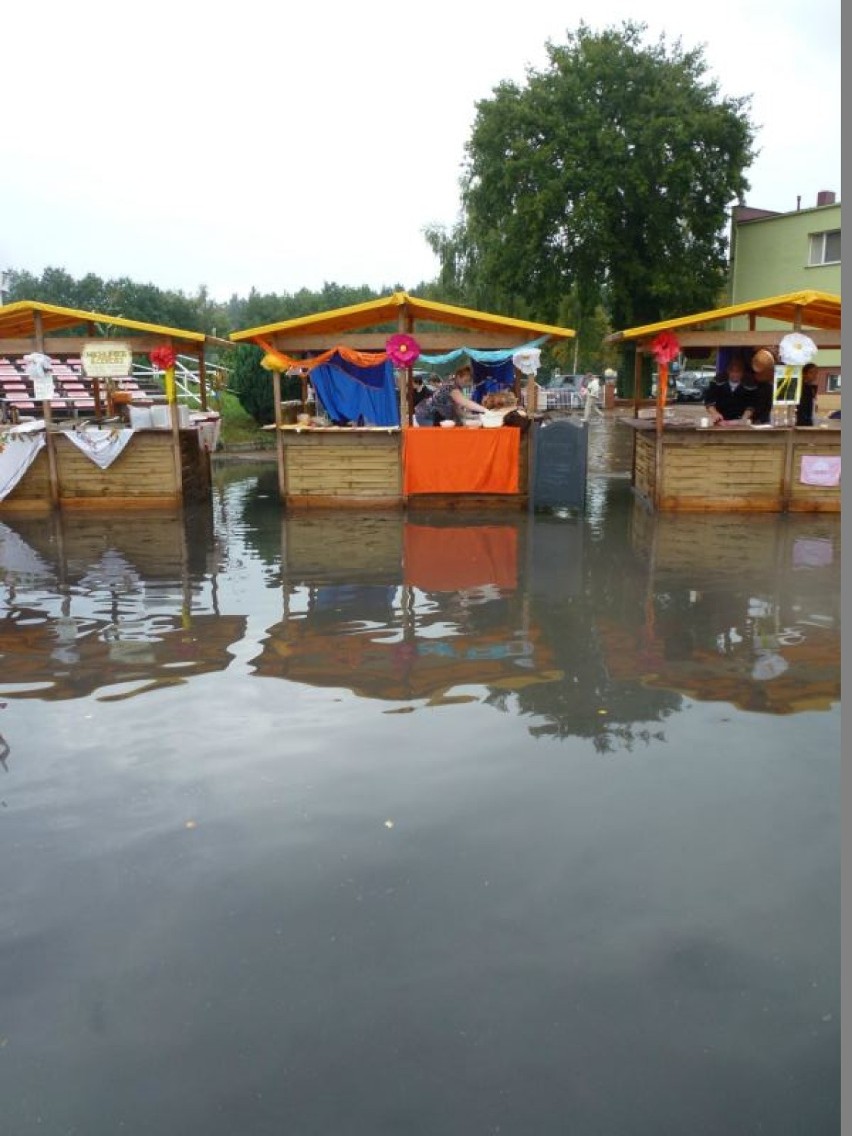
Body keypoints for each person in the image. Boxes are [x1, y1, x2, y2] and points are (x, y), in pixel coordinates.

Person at [413, 364, 487, 427]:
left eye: (469, 381)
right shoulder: (451, 386)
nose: (467, 384)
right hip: (426, 415)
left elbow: (458, 411)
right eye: (465, 381)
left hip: (432, 415)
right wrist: (486, 410)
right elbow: (465, 403)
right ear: (458, 376)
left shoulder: (456, 388)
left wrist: (476, 416)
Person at [704, 356, 756, 423]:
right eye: (732, 371)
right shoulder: (717, 382)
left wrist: (744, 419)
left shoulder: (749, 385)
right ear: (728, 371)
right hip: (721, 421)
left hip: (741, 421)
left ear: (742, 372)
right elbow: (709, 402)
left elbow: (751, 405)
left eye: (738, 371)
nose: (735, 374)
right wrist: (715, 414)